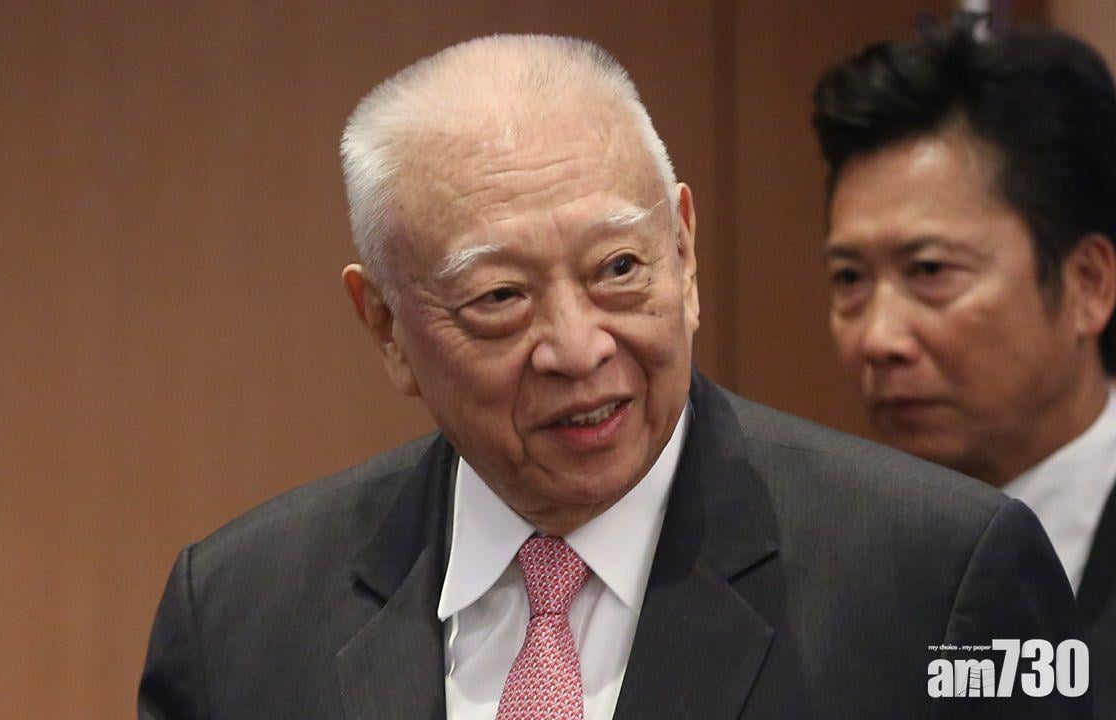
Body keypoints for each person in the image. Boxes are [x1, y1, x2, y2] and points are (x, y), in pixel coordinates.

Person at [140, 34, 1087, 718]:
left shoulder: (935, 577)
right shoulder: (237, 616)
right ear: (385, 326)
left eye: (619, 269)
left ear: (685, 252)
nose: (579, 346)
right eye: (501, 297)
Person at [813, 20, 1116, 715]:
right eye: (850, 278)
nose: (879, 339)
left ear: (1088, 284)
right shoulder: (823, 569)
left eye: (930, 271)